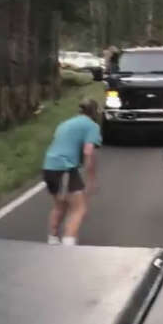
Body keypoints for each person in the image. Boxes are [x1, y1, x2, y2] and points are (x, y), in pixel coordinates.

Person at [41, 98, 102, 246]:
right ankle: (68, 244)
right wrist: (91, 180)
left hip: (49, 166)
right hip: (65, 168)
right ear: (95, 112)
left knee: (60, 205)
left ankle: (53, 239)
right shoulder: (91, 126)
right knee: (79, 208)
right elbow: (88, 153)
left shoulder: (65, 123)